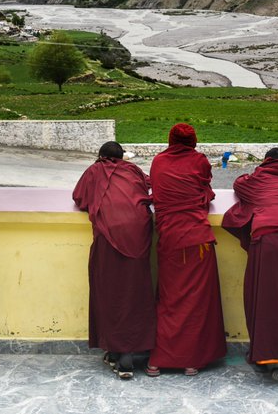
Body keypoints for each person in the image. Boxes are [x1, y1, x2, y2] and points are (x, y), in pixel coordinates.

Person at [222, 147, 278, 389]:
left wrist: (257, 170)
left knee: (261, 299)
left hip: (267, 240)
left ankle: (275, 362)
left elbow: (239, 184)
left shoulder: (258, 180)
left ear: (267, 162)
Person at [147, 123, 227, 376]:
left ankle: (157, 361)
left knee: (169, 299)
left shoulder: (158, 162)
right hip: (197, 239)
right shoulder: (199, 161)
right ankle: (191, 361)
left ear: (170, 139)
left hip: (170, 238)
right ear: (193, 141)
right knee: (196, 301)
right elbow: (204, 188)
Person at [72, 140, 156, 379]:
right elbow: (150, 184)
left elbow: (79, 197)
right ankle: (127, 352)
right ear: (122, 157)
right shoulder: (133, 170)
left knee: (109, 292)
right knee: (135, 292)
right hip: (138, 233)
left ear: (101, 156)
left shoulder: (95, 170)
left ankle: (120, 353)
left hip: (108, 235)